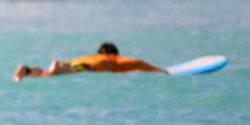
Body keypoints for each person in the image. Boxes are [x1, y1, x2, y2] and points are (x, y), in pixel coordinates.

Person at [13, 42, 163, 82]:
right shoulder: (114, 58)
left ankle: (26, 70)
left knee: (46, 72)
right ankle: (56, 69)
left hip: (74, 61)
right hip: (87, 66)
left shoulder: (91, 56)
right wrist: (161, 71)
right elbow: (139, 63)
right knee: (58, 72)